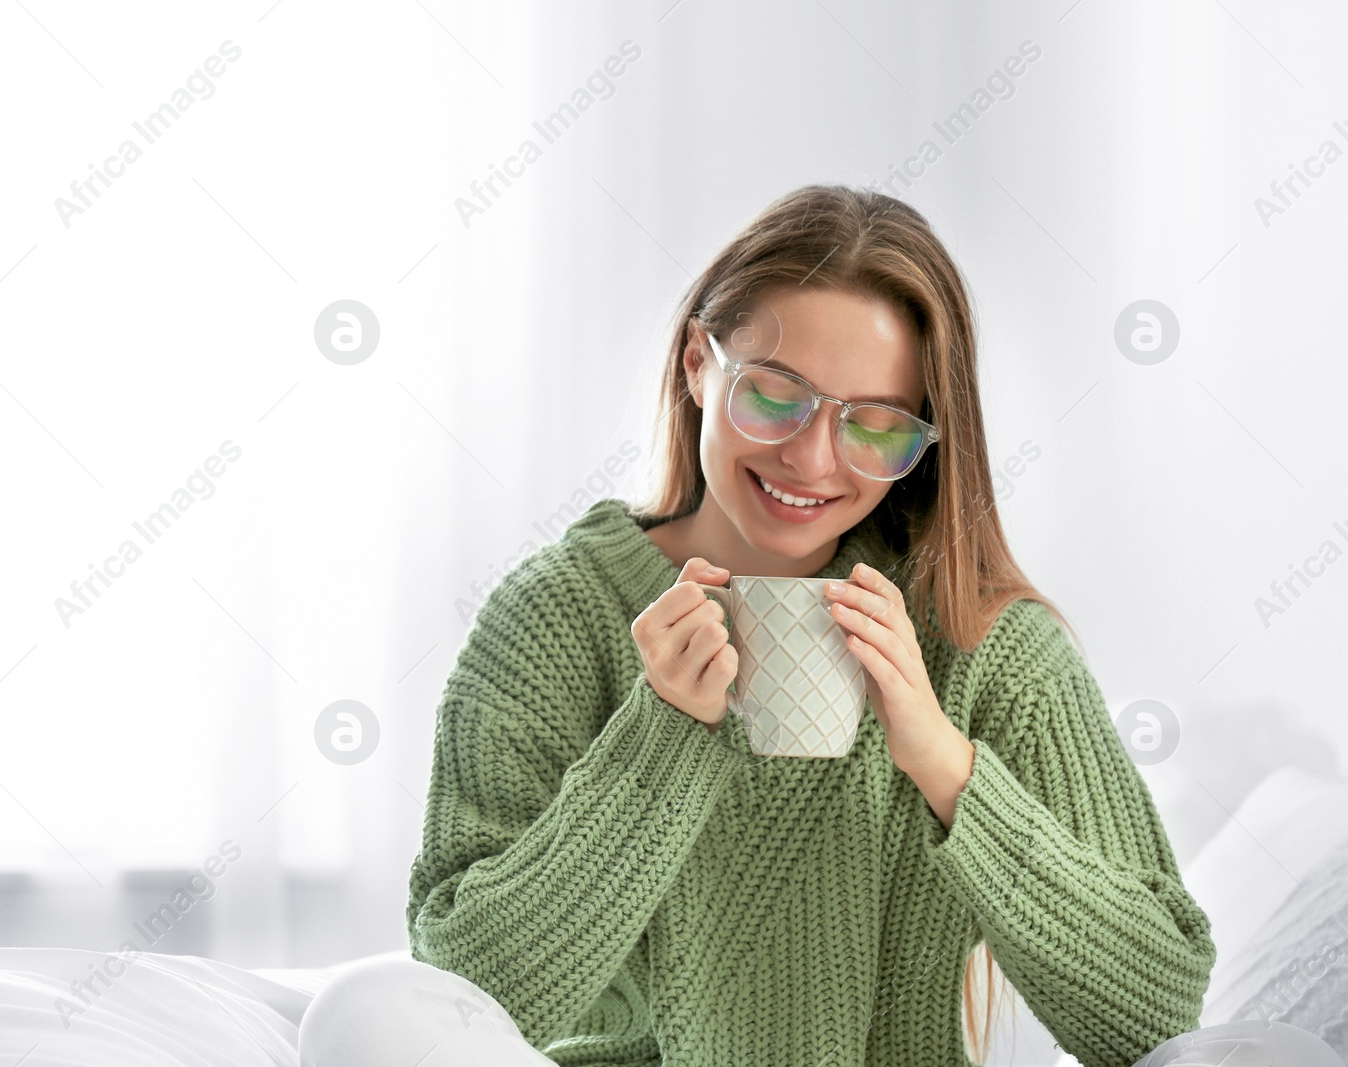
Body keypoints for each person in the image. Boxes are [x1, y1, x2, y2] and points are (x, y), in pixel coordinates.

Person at [298, 185, 1344, 1066]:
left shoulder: (989, 642)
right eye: (775, 396)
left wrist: (944, 765)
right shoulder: (554, 619)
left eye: (876, 424)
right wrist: (658, 740)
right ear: (695, 366)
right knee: (364, 1007)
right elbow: (461, 995)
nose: (811, 460)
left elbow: (1161, 1010)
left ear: (924, 443)